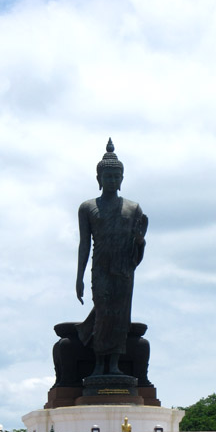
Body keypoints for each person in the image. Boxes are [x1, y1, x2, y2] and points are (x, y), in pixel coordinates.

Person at [75, 139, 148, 377]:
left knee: (120, 315)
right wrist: (79, 277)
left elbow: (137, 246)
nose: (113, 181)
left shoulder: (133, 208)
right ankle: (98, 364)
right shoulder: (88, 207)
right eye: (108, 177)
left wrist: (139, 241)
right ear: (99, 179)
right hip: (101, 267)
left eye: (117, 177)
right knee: (104, 313)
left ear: (122, 179)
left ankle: (114, 364)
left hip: (124, 269)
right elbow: (84, 243)